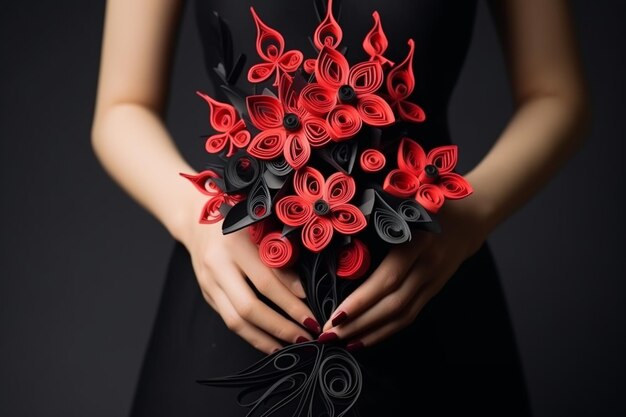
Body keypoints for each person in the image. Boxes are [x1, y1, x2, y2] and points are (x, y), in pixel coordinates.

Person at [91, 0, 589, 415]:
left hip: (431, 297)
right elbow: (121, 107)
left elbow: (557, 94)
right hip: (232, 300)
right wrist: (197, 224)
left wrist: (469, 219)